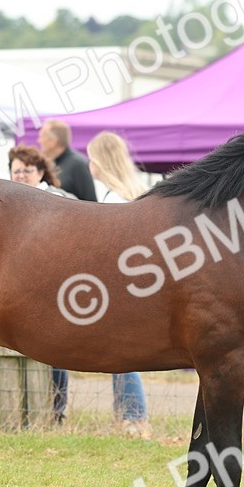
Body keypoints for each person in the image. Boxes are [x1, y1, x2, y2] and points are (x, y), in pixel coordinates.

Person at [86, 131, 151, 438]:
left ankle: (135, 418)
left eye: (91, 158)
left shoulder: (113, 201)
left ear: (99, 162)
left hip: (120, 286)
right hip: (138, 284)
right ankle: (128, 417)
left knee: (123, 357)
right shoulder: (136, 193)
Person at [8, 145, 74, 425]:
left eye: (27, 170)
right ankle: (18, 414)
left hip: (58, 284)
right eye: (16, 171)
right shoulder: (6, 201)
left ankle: (58, 410)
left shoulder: (61, 199)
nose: (21, 176)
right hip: (21, 287)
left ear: (41, 172)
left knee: (58, 348)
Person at [36, 118, 97, 202]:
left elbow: (91, 202)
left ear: (54, 142)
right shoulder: (53, 163)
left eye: (42, 136)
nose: (39, 141)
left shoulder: (77, 165)